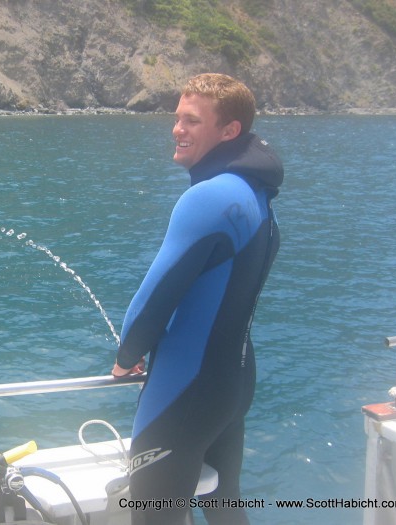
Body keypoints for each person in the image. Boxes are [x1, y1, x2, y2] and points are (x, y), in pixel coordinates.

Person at [111, 73, 284, 525]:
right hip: (233, 384)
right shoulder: (257, 197)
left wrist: (127, 354)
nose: (177, 129)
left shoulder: (208, 198)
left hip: (183, 390)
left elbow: (156, 295)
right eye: (177, 118)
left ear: (230, 131)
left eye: (192, 120)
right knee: (226, 512)